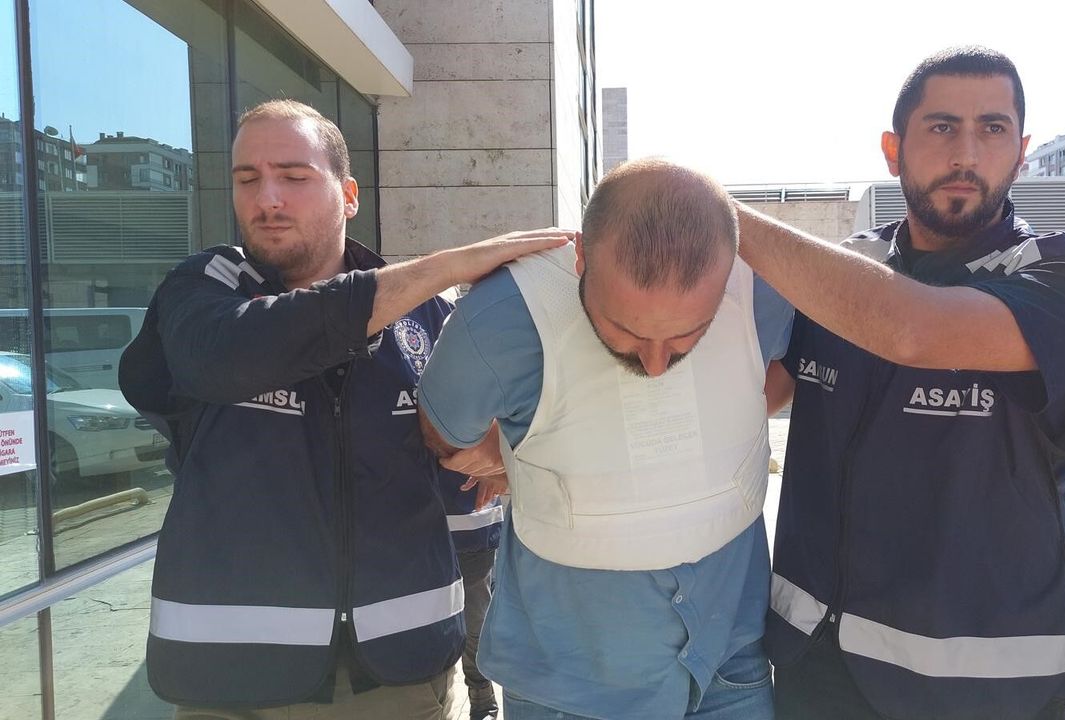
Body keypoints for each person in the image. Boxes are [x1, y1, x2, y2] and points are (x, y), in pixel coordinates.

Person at [117, 98, 571, 719]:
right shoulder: (206, 292)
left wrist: (499, 453)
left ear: (349, 195)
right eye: (248, 179)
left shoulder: (426, 320)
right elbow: (227, 356)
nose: (267, 198)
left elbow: (476, 456)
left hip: (403, 675)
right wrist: (448, 266)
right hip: (231, 679)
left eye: (293, 176)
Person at [734, 47, 1065, 720]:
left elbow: (913, 330)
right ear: (892, 149)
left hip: (989, 695)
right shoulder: (846, 270)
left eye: (993, 128)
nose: (966, 153)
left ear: (1022, 151)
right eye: (942, 127)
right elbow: (749, 396)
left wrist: (720, 215)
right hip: (817, 675)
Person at [415, 158, 794, 720]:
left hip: (729, 664)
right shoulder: (499, 317)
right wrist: (509, 448)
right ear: (581, 258)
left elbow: (783, 375)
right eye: (628, 330)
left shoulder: (766, 289)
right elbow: (442, 435)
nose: (656, 365)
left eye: (688, 334)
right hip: (569, 685)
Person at [437, 464, 504, 720]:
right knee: (428, 622)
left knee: (475, 620)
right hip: (417, 530)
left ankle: (482, 697)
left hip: (472, 524)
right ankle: (434, 698)